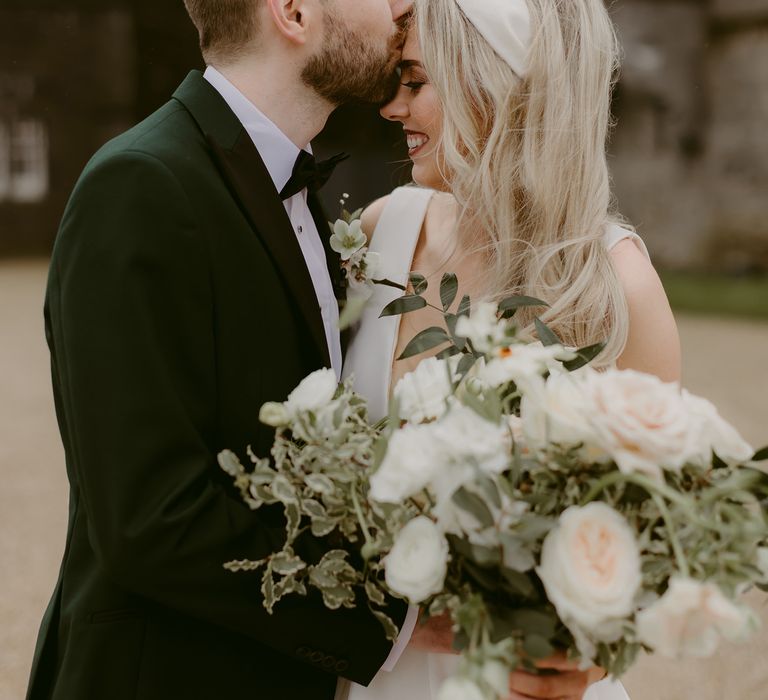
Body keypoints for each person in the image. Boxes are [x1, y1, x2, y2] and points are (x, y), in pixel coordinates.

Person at [26, 1, 419, 699]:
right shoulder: (141, 185)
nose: (399, 6)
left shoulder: (296, 194)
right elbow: (150, 517)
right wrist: (393, 615)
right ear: (293, 11)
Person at [342, 1, 681, 699]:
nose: (391, 108)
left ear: (492, 85)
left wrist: (584, 658)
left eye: (414, 81)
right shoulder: (380, 235)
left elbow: (647, 551)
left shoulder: (616, 291)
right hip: (375, 673)